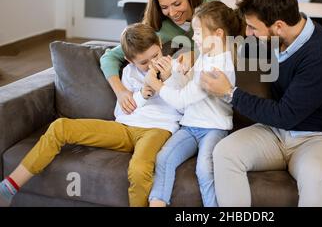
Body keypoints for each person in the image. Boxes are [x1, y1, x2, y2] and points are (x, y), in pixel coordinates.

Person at [200, 0, 322, 207]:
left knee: (315, 175)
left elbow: (286, 114)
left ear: (278, 26)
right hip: (277, 132)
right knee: (225, 152)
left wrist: (230, 93)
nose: (248, 33)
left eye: (253, 28)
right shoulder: (274, 38)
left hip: (320, 137)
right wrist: (194, 56)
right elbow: (224, 41)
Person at [0, 23, 185, 207]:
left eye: (155, 56)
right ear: (130, 60)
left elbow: (185, 109)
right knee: (60, 126)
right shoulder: (129, 72)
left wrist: (167, 82)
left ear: (160, 45)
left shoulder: (177, 69)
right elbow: (120, 112)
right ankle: (9, 187)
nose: (152, 63)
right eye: (143, 62)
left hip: (158, 130)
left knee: (138, 169)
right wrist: (141, 95)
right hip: (125, 128)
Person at [144, 1, 243, 207]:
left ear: (218, 35)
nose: (194, 37)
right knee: (164, 159)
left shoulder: (218, 67)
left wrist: (158, 84)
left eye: (198, 32)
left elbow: (182, 98)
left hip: (213, 129)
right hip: (190, 125)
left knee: (204, 169)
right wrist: (173, 74)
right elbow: (185, 95)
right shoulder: (206, 56)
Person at [100, 0, 220, 115]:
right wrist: (121, 92)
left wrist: (194, 55)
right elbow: (109, 57)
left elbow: (225, 39)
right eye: (164, 7)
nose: (172, 13)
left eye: (177, 3)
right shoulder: (160, 29)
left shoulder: (209, 0)